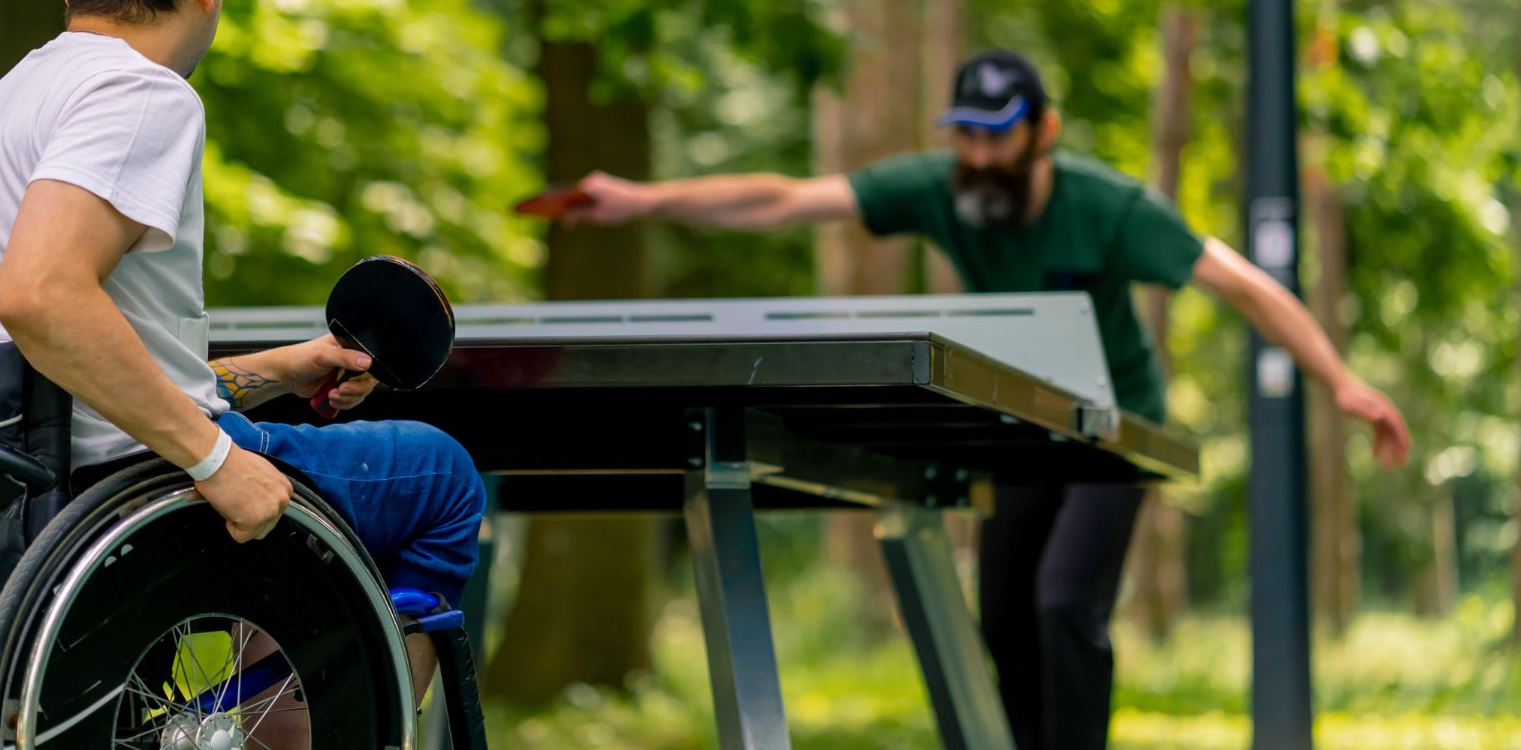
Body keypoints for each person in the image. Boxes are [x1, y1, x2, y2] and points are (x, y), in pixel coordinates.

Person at [566, 48, 1410, 750]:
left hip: (1114, 430)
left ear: (1043, 132)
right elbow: (790, 198)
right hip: (1022, 424)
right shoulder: (939, 188)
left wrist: (1340, 381)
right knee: (1003, 620)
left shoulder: (1108, 208)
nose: (975, 156)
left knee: (1062, 602)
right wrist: (644, 200)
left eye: (995, 137)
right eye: (964, 135)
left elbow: (1246, 285)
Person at [0, 0, 483, 706]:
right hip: (101, 486)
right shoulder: (141, 96)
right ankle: (289, 723)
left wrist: (280, 369)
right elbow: (38, 296)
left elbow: (57, 371)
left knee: (273, 465)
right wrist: (212, 460)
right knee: (440, 479)